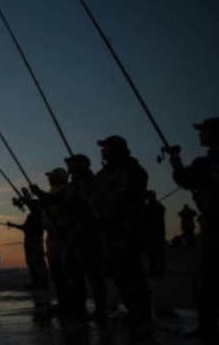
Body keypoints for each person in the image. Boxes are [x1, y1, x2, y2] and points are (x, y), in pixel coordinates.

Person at [169, 117, 219, 341]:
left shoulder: (207, 163)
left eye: (204, 130)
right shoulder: (207, 162)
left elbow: (186, 178)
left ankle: (207, 330)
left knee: (205, 282)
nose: (200, 134)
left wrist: (176, 164)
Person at [94, 135, 152, 325]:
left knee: (131, 271)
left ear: (117, 148)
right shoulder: (104, 174)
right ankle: (132, 310)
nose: (102, 151)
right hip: (109, 230)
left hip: (127, 228)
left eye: (106, 147)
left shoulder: (132, 170)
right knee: (119, 273)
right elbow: (92, 194)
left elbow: (123, 196)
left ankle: (141, 313)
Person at [63, 153, 108, 319]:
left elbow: (94, 201)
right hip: (73, 233)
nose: (69, 167)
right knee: (73, 270)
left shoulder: (90, 180)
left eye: (72, 164)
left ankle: (101, 309)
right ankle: (78, 306)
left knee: (93, 271)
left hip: (88, 231)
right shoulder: (72, 184)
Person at [30, 168, 72, 312]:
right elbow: (46, 205)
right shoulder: (53, 191)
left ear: (60, 178)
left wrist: (39, 193)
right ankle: (63, 301)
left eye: (52, 176)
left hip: (63, 235)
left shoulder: (65, 190)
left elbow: (56, 201)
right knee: (55, 270)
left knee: (65, 270)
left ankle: (70, 303)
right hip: (53, 235)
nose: (49, 178)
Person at [8, 195, 49, 289]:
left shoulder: (39, 215)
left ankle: (43, 282)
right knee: (30, 262)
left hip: (36, 242)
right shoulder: (30, 216)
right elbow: (24, 227)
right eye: (31, 205)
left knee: (38, 261)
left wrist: (28, 229)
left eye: (33, 205)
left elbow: (38, 227)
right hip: (28, 242)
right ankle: (35, 282)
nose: (30, 207)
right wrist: (12, 225)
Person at [144, 190, 167, 276]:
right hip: (150, 231)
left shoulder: (158, 207)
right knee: (151, 252)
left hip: (157, 231)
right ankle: (153, 269)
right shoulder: (150, 206)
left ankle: (161, 269)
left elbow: (155, 219)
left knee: (158, 250)